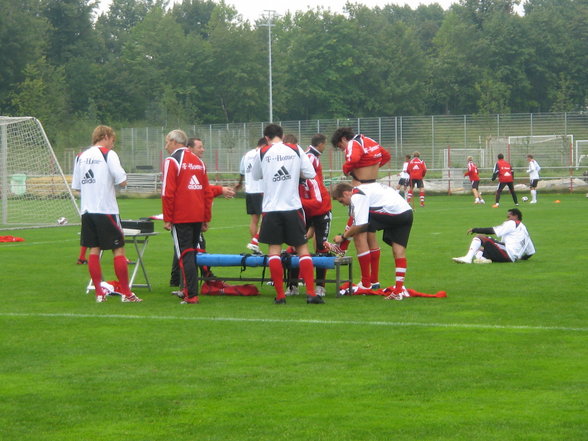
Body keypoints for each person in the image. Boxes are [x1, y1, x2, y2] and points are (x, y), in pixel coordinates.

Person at [251, 123, 323, 305]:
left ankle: (281, 296)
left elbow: (256, 175)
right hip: (292, 207)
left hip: (271, 209)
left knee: (274, 250)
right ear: (281, 136)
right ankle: (311, 294)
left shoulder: (262, 152)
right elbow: (310, 173)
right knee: (302, 249)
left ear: (266, 138)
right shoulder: (295, 149)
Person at [71, 125, 142, 303]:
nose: (113, 144)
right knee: (118, 249)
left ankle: (99, 293)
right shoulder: (107, 154)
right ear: (105, 136)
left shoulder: (80, 156)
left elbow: (77, 187)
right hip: (106, 210)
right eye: (113, 140)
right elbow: (122, 181)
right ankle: (126, 293)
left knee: (94, 249)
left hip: (87, 210)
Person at [169, 137, 234, 289]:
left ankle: (177, 280)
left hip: (188, 216)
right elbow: (201, 190)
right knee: (194, 248)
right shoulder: (185, 164)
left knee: (182, 247)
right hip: (188, 216)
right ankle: (197, 284)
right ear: (189, 148)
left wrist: (219, 190)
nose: (203, 149)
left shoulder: (198, 165)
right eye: (200, 147)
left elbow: (203, 188)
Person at [331, 127, 391, 290]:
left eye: (340, 146)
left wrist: (347, 168)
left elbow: (354, 158)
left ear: (343, 139)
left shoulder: (353, 143)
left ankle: (365, 282)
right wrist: (372, 166)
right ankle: (374, 281)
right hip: (374, 186)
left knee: (359, 235)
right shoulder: (369, 140)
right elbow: (386, 156)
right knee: (371, 235)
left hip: (363, 187)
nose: (342, 149)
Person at [332, 182, 413, 300]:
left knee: (360, 224)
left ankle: (365, 282)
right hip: (406, 212)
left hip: (392, 213)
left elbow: (360, 224)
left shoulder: (357, 195)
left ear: (346, 193)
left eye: (341, 201)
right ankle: (398, 291)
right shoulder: (364, 188)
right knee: (398, 251)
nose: (343, 204)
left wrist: (342, 237)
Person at [162, 129, 211, 304]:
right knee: (191, 252)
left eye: (167, 141)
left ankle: (191, 293)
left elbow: (168, 192)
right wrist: (206, 218)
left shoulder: (172, 160)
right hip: (197, 215)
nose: (166, 145)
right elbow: (206, 193)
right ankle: (187, 289)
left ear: (175, 142)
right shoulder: (199, 162)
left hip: (181, 216)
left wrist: (167, 218)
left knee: (185, 254)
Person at [453, 208, 534, 264]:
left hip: (506, 254)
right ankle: (482, 259)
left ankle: (468, 258)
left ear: (515, 216)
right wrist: (519, 258)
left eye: (509, 217)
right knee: (479, 248)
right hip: (510, 257)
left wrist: (475, 229)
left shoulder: (513, 223)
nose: (507, 219)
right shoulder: (525, 231)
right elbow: (530, 252)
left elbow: (492, 231)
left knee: (479, 237)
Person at [235, 137, 266, 254]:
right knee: (266, 218)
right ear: (264, 145)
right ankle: (255, 242)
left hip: (250, 190)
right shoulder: (262, 153)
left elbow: (242, 172)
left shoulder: (246, 155)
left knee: (254, 220)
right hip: (261, 190)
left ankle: (255, 245)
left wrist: (239, 184)